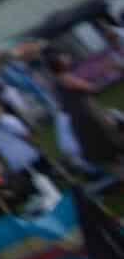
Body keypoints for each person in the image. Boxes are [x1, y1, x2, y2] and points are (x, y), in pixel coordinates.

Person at [47, 47, 124, 176]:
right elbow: (91, 88)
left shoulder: (56, 83)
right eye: (63, 56)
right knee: (110, 144)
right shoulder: (65, 78)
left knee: (106, 153)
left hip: (80, 119)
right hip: (88, 116)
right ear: (59, 63)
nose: (67, 57)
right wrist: (109, 70)